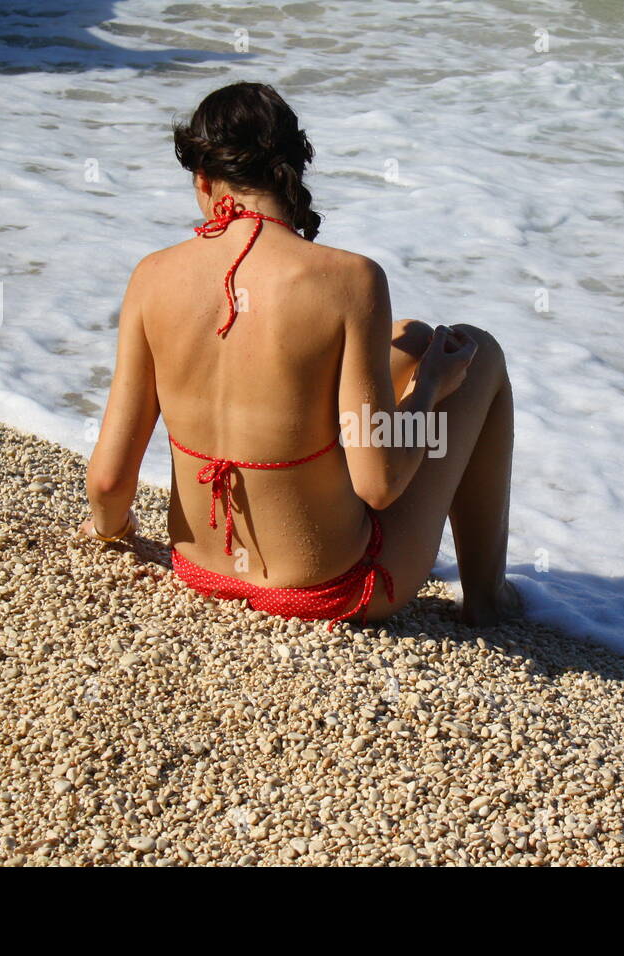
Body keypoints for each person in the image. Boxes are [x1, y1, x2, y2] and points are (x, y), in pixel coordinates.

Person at [78, 81, 518, 628]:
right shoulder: (350, 279)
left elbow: (108, 482)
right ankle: (488, 599)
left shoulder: (151, 275)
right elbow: (378, 485)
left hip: (199, 568)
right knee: (481, 352)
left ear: (203, 178)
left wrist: (110, 533)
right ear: (293, 170)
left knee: (411, 337)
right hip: (334, 588)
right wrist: (431, 389)